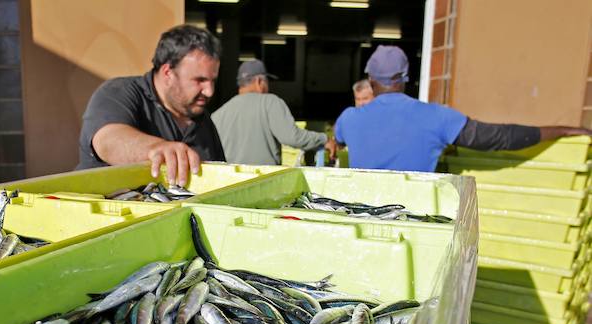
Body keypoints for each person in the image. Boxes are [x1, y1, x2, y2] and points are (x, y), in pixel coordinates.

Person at [331, 46, 591, 172]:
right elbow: (499, 138)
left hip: (363, 220)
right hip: (413, 222)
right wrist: (564, 130)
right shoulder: (437, 117)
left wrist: (332, 143)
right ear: (405, 78)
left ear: (372, 82)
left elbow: (336, 143)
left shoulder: (348, 119)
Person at [76, 25, 225, 186]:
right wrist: (156, 148)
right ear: (168, 73)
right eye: (200, 80)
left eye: (213, 81)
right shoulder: (119, 92)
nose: (209, 91)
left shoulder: (203, 119)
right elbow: (108, 140)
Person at [212, 60, 329, 166]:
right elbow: (292, 137)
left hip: (230, 185)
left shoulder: (218, 115)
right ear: (259, 81)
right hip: (264, 183)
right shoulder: (270, 102)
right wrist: (323, 139)